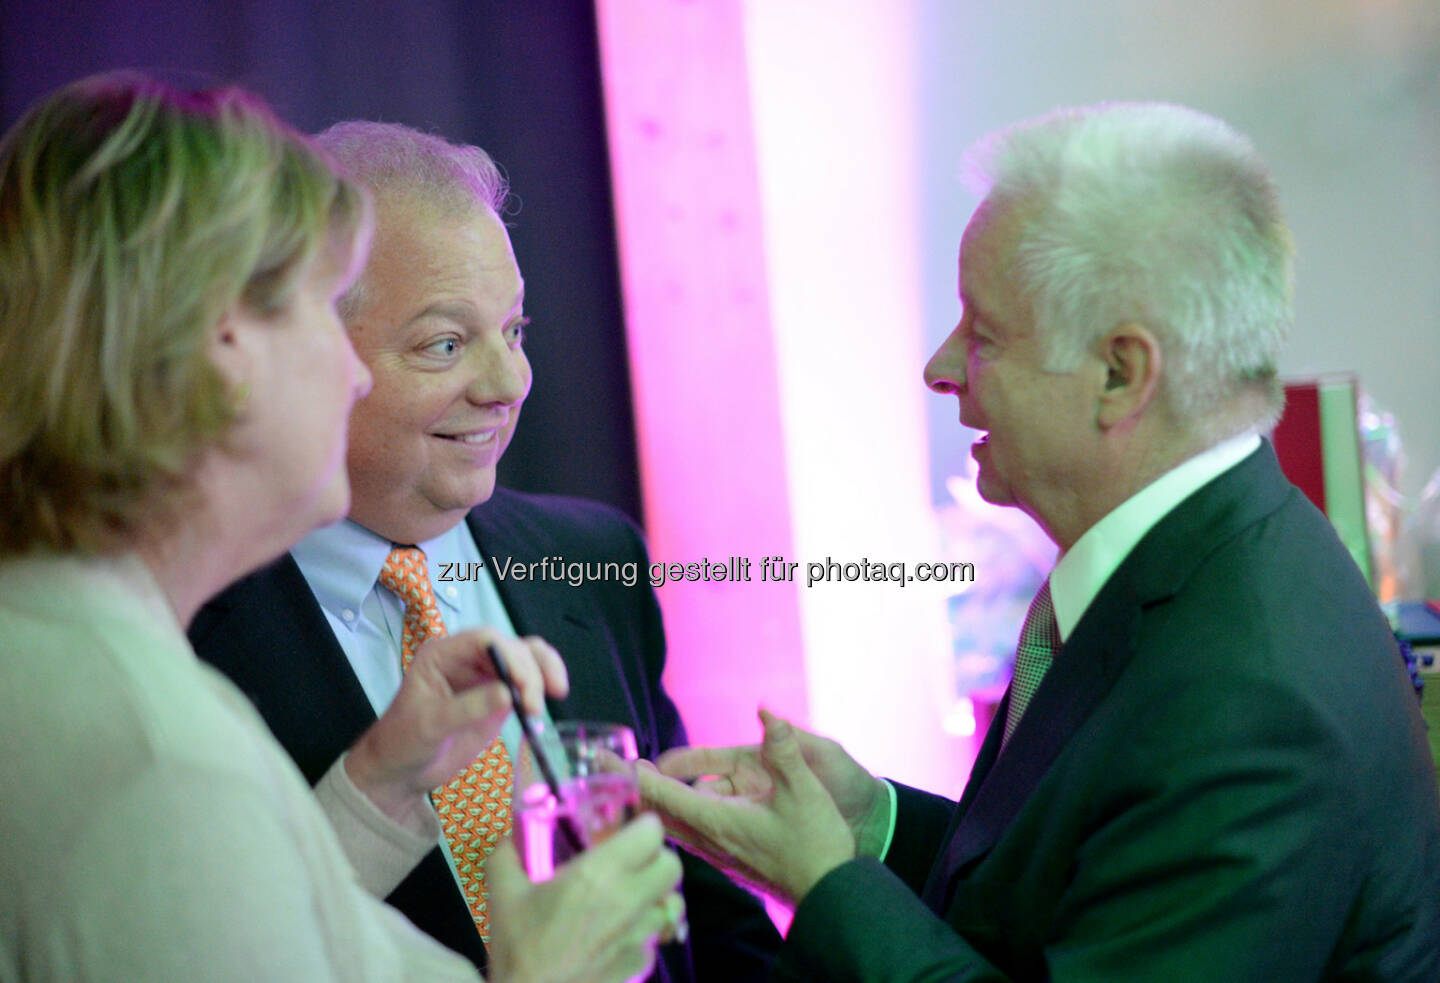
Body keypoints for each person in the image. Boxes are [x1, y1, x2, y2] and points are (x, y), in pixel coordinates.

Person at [639, 102, 1440, 981]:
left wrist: (824, 882)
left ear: (1119, 373)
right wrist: (873, 822)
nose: (940, 368)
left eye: (983, 335)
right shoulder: (1181, 557)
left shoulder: (1251, 696)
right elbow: (1077, 884)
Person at [0, 72, 682, 983]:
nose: (349, 375)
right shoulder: (155, 743)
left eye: (514, 330)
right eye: (316, 310)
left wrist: (383, 785)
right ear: (223, 346)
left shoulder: (71, 650)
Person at [188, 121, 780, 980]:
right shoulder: (191, 621)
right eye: (446, 344)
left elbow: (698, 918)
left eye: (516, 330)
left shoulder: (593, 556)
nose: (508, 385)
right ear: (313, 352)